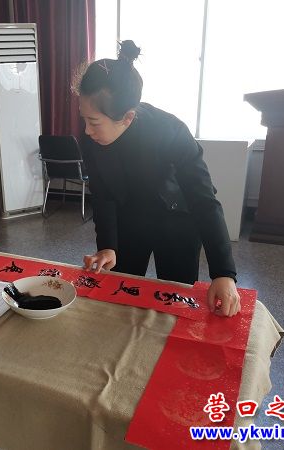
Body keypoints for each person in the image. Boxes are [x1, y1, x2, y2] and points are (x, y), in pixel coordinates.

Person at [75, 41, 240, 318]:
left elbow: (203, 200)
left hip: (177, 220)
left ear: (127, 118)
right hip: (130, 219)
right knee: (121, 297)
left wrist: (224, 273)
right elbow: (102, 193)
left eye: (94, 122)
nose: (87, 130)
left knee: (175, 301)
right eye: (84, 118)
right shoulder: (93, 136)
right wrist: (107, 246)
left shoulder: (170, 132)